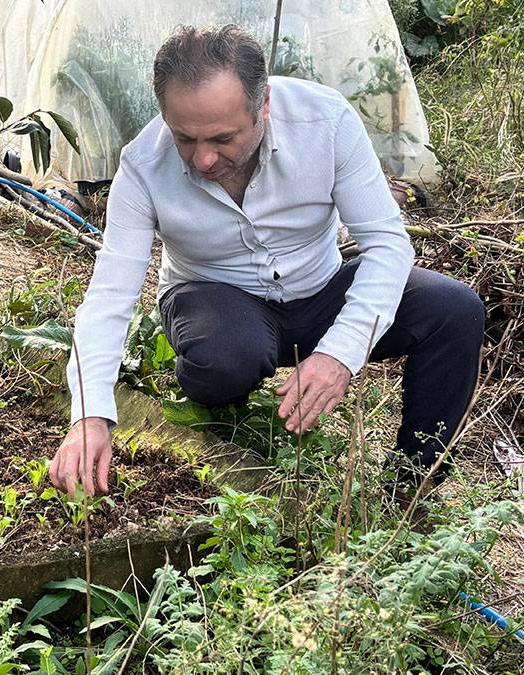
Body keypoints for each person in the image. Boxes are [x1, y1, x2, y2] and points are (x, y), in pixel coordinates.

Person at [49, 25, 484, 502]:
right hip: (214, 299)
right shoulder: (141, 166)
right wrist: (91, 413)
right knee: (225, 354)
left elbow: (387, 245)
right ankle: (224, 429)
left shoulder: (326, 123)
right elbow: (110, 294)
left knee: (454, 310)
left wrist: (340, 352)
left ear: (264, 105)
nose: (204, 158)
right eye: (185, 139)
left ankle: (412, 488)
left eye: (222, 137)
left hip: (319, 288)